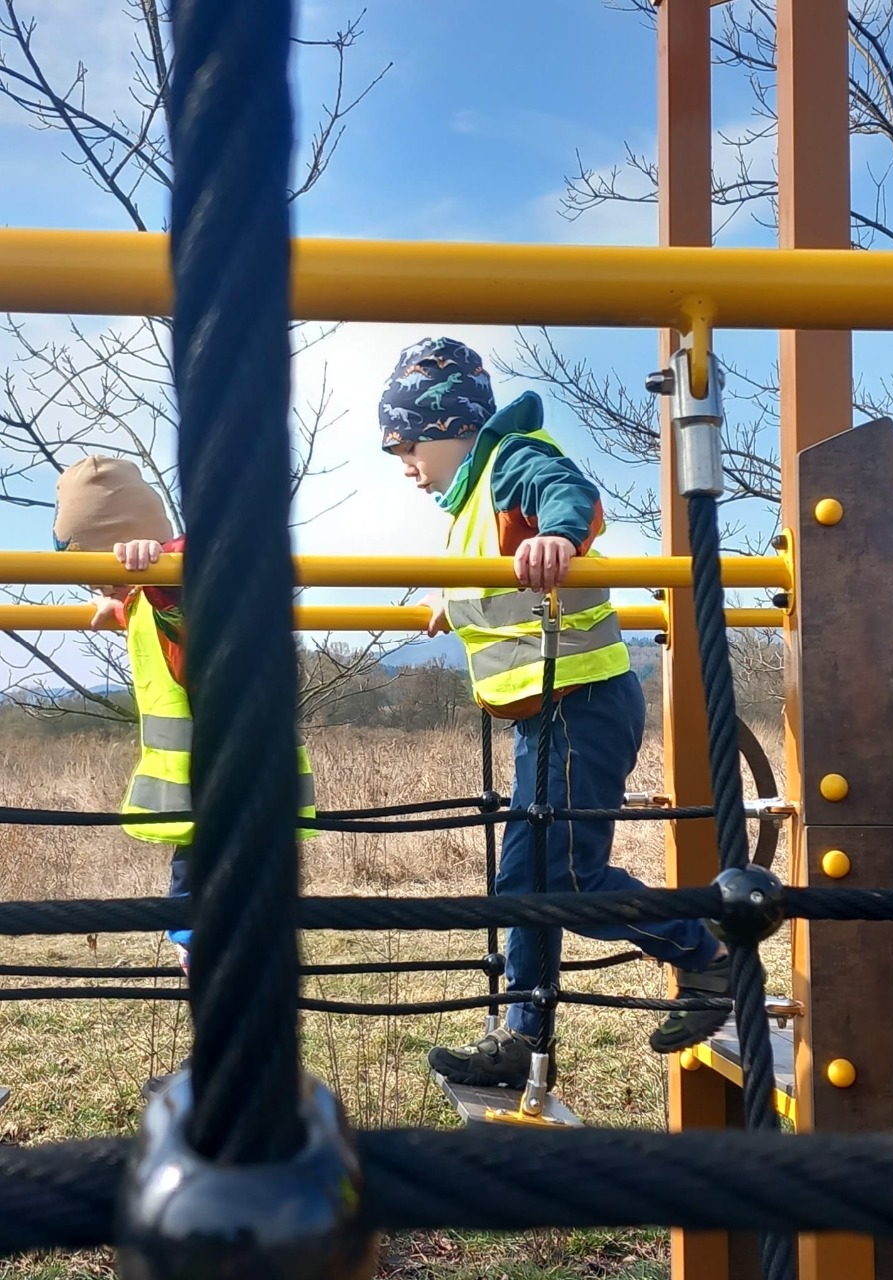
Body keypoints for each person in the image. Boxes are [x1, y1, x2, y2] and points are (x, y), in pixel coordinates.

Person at [380, 337, 730, 1090]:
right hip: (547, 719)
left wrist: (558, 536)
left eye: (407, 446)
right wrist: (447, 598)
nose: (404, 465)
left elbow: (571, 494)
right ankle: (522, 1037)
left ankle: (708, 954)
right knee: (525, 882)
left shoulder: (513, 460)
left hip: (584, 705)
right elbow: (492, 578)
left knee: (561, 879)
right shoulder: (470, 501)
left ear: (451, 428)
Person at [53, 457, 317, 1088]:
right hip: (212, 804)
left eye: (91, 572)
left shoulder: (180, 580)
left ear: (115, 546)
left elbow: (199, 591)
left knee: (213, 930)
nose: (92, 588)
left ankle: (233, 1062)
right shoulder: (149, 599)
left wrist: (161, 565)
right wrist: (120, 606)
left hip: (228, 801)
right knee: (202, 932)